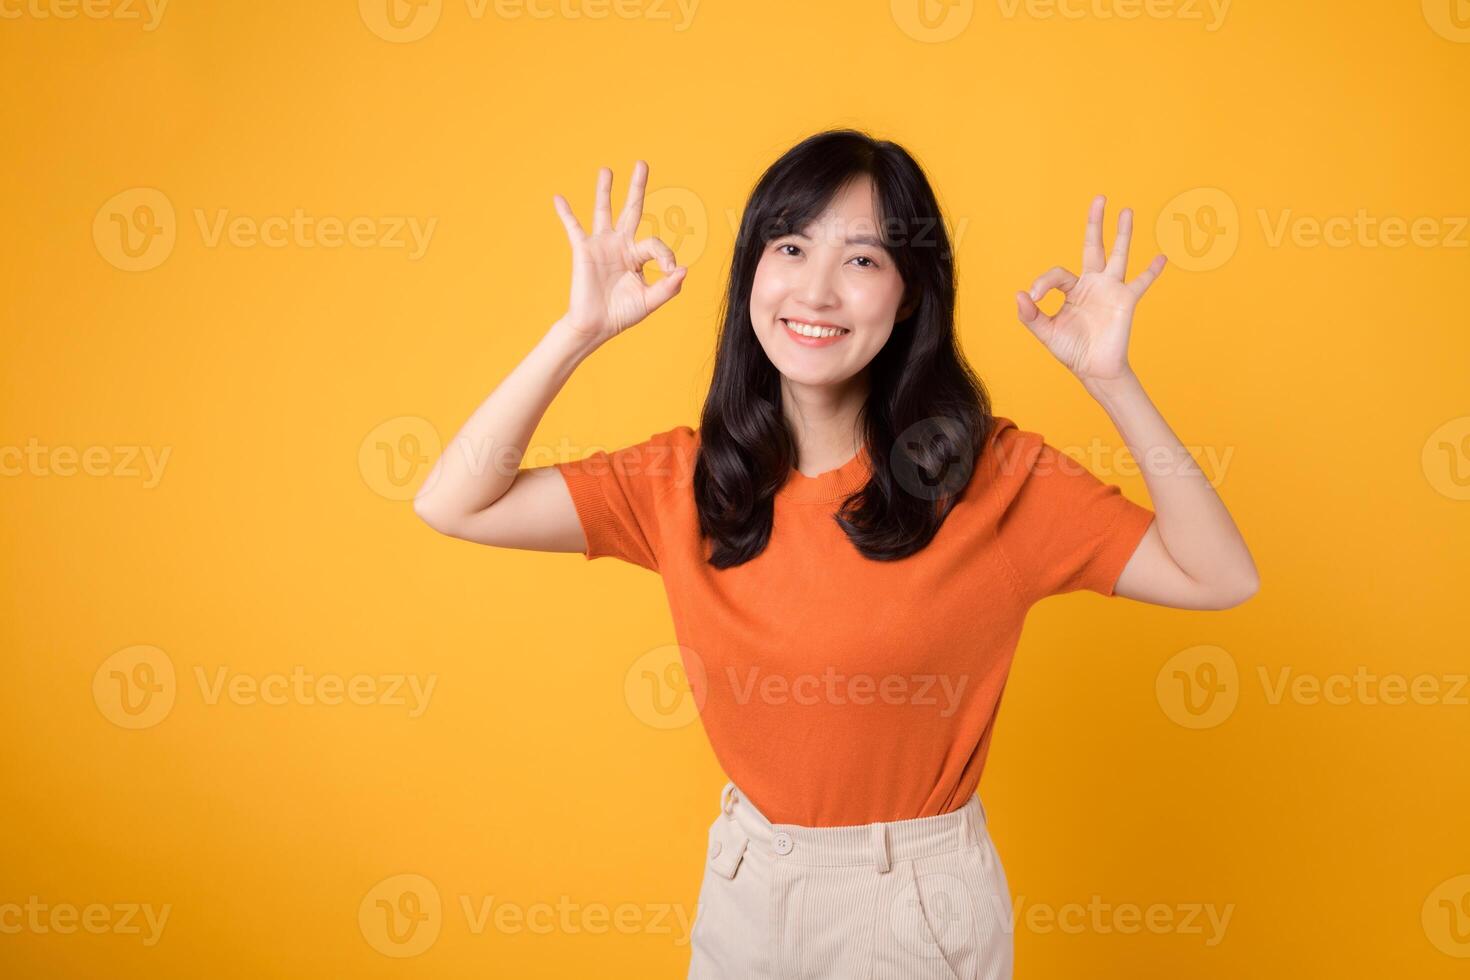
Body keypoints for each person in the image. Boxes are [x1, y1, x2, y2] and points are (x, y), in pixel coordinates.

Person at [411, 129, 1259, 980]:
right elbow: (454, 500)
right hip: (745, 885)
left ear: (910, 296)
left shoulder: (990, 478)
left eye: (861, 260)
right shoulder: (685, 481)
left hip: (910, 907)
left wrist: (1112, 381)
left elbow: (1219, 575)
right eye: (789, 247)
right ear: (752, 274)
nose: (815, 290)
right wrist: (577, 331)